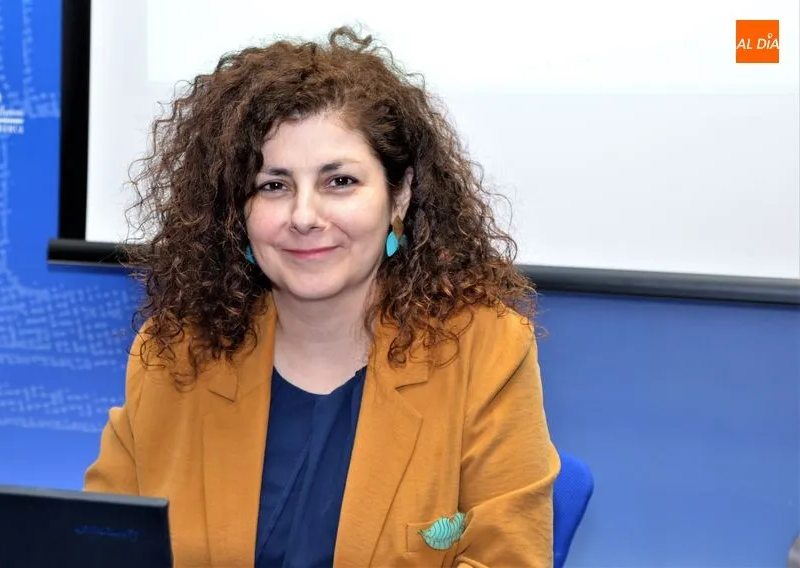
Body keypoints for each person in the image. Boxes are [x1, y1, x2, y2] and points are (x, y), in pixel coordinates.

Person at [84, 26, 560, 567]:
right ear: (235, 212)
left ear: (399, 196)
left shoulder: (484, 347)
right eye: (273, 185)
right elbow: (103, 545)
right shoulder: (175, 352)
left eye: (340, 182)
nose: (304, 217)